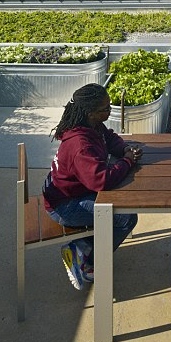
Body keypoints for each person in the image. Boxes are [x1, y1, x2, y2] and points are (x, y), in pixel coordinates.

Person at [42, 83, 142, 291]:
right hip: (65, 206)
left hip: (70, 192)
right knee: (126, 216)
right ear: (89, 112)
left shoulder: (90, 125)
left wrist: (124, 148)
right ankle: (87, 263)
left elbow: (109, 138)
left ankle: (82, 246)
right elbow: (101, 181)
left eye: (109, 106)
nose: (109, 111)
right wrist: (127, 161)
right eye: (104, 109)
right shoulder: (81, 145)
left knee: (119, 203)